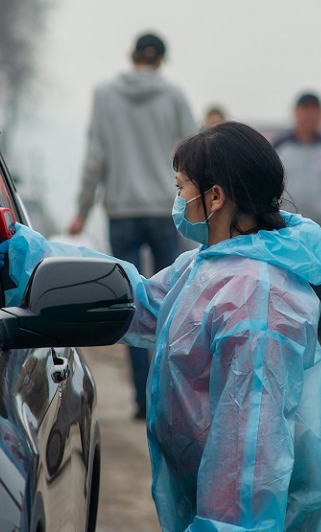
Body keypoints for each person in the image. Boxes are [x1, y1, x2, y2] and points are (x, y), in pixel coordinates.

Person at [0, 122, 321, 531]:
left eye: (182, 188)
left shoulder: (257, 299)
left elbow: (249, 450)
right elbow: (143, 303)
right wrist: (31, 256)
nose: (178, 200)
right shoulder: (210, 266)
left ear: (214, 197)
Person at [67, 31, 198, 420]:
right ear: (162, 59)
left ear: (131, 55)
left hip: (121, 208)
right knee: (171, 304)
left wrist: (81, 209)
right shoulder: (174, 95)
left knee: (132, 303)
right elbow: (197, 149)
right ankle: (170, 394)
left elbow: (95, 156)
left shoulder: (104, 95)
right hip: (163, 207)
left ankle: (142, 400)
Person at [274, 91, 321, 371]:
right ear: (296, 114)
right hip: (288, 234)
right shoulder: (281, 146)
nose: (309, 118)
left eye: (314, 112)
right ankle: (291, 353)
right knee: (289, 294)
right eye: (304, 112)